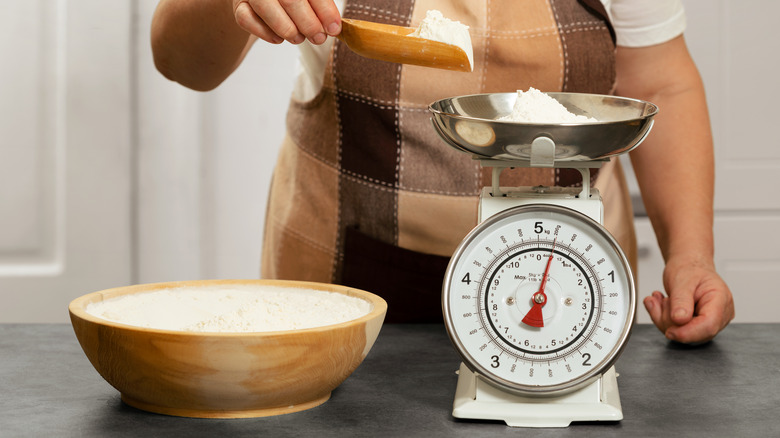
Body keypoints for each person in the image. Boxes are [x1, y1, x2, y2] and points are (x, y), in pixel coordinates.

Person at [151, 0, 734, 344]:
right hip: (338, 273)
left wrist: (691, 254)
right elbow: (180, 62)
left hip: (557, 288)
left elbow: (659, 83)